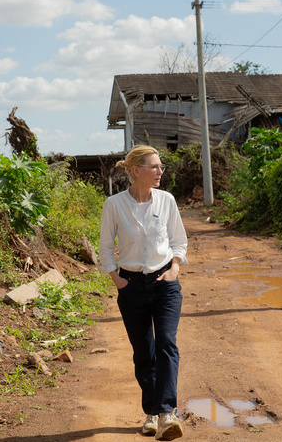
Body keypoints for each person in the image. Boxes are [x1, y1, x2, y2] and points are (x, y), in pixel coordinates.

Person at [99, 145, 187, 440]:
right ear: (136, 171)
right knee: (143, 353)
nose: (160, 172)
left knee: (166, 342)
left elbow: (179, 241)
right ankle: (150, 413)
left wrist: (174, 269)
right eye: (154, 167)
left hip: (165, 283)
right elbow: (106, 246)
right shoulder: (114, 204)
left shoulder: (166, 201)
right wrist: (115, 278)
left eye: (161, 167)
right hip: (131, 285)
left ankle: (166, 413)